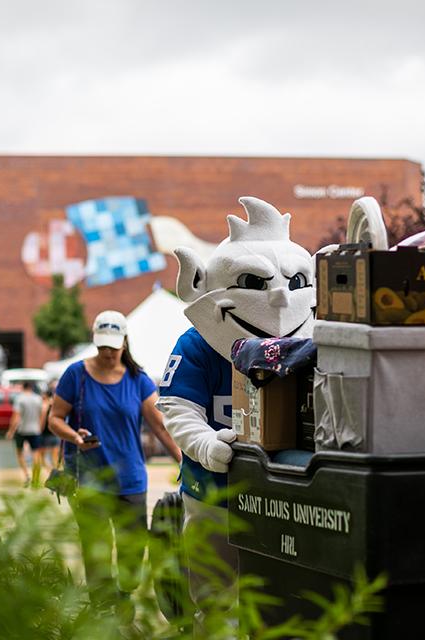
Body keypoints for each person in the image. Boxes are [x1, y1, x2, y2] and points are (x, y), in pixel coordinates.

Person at [157, 196, 316, 629]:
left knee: (278, 600)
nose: (281, 297)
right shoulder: (197, 344)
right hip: (213, 492)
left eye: (297, 281)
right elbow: (176, 405)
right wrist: (206, 443)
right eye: (255, 281)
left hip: (287, 498)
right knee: (216, 595)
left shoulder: (313, 345)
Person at [48, 310, 181, 598]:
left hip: (130, 480)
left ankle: (125, 594)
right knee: (96, 551)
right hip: (89, 481)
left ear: (125, 342)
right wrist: (74, 436)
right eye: (103, 345)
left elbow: (160, 426)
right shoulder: (76, 375)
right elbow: (54, 418)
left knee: (133, 553)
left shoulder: (138, 379)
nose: (108, 351)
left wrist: (184, 460)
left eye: (113, 345)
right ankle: (104, 609)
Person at [5, 380, 44, 485]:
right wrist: (40, 427)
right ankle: (36, 477)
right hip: (35, 429)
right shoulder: (38, 398)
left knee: (20, 453)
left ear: (23, 387)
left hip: (21, 429)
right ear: (31, 387)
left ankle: (27, 475)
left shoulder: (20, 399)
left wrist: (10, 431)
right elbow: (42, 414)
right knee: (36, 453)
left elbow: (16, 417)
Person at [38, 380, 61, 470]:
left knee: (42, 458)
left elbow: (43, 420)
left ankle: (50, 473)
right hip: (55, 433)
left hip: (46, 434)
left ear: (45, 396)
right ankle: (56, 474)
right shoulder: (56, 404)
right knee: (55, 458)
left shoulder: (45, 406)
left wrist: (39, 431)